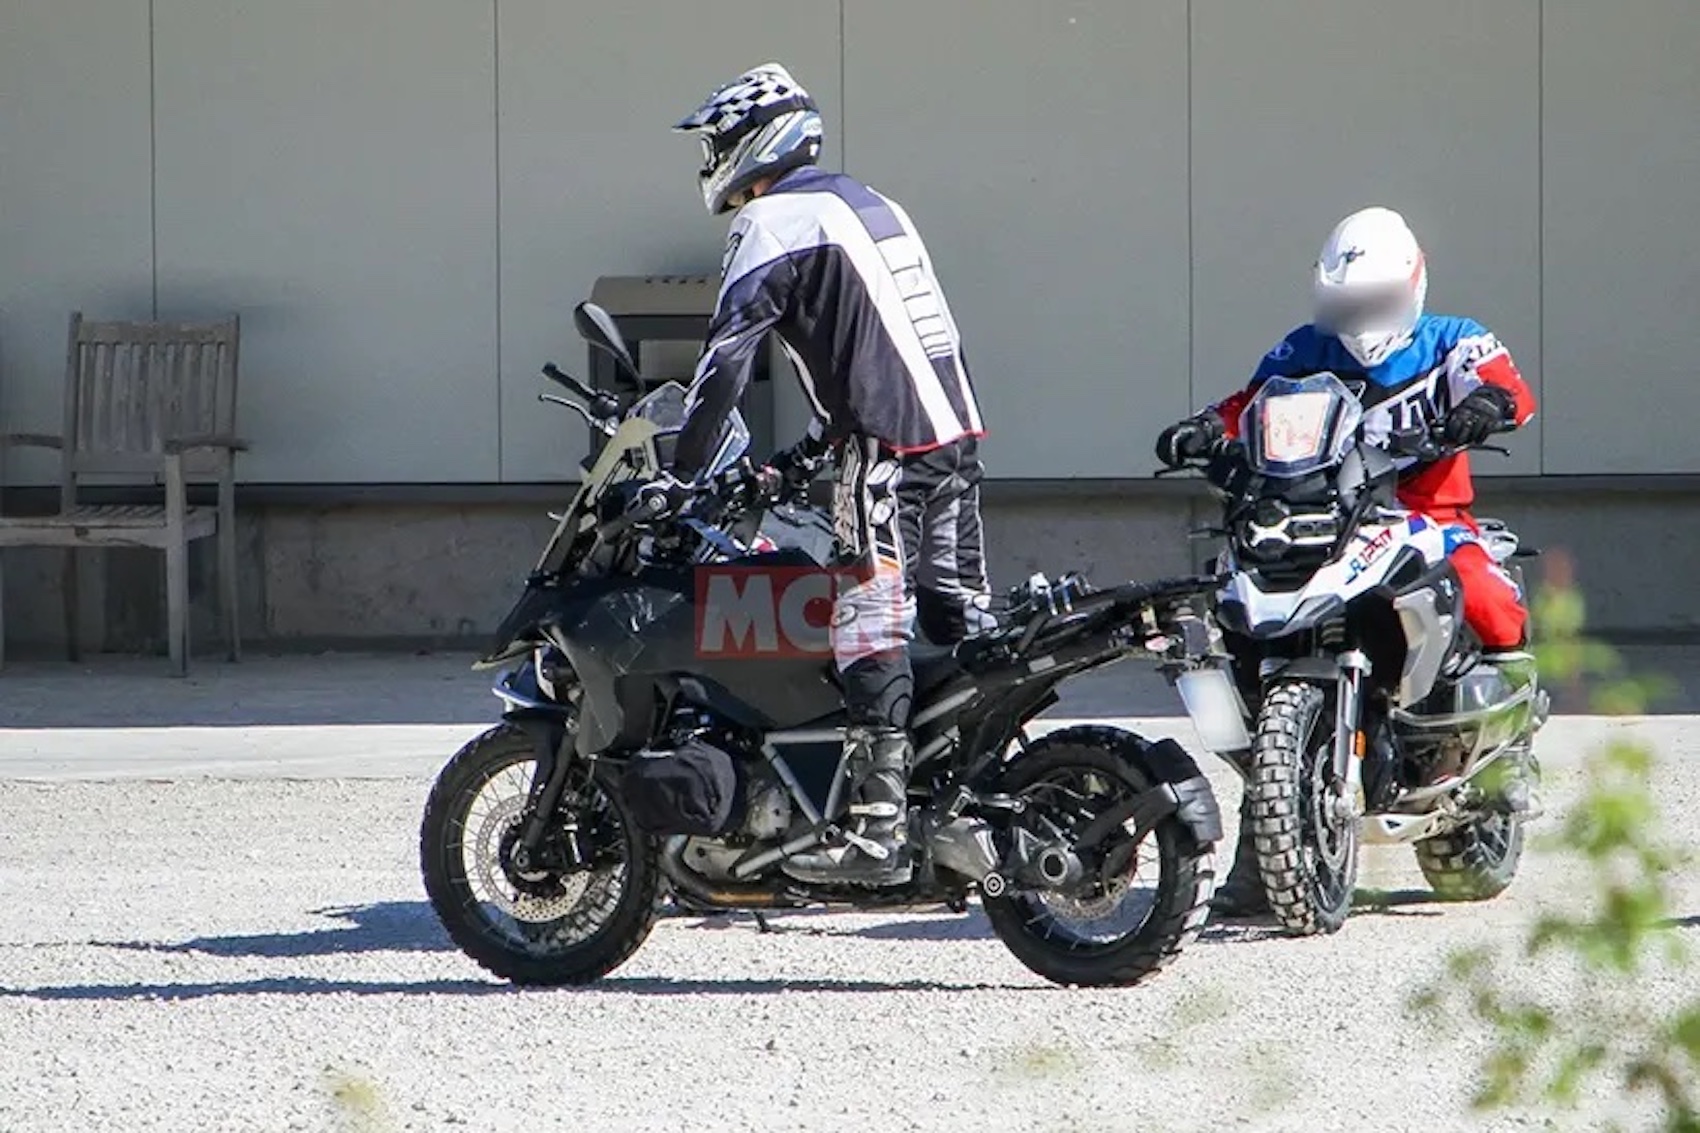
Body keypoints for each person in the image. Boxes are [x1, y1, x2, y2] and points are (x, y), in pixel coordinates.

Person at [663, 63, 995, 886]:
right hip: (952, 442)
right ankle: (967, 793)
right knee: (955, 620)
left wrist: (679, 474)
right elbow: (877, 349)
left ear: (750, 142)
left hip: (883, 448)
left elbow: (723, 364)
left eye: (716, 143)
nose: (712, 161)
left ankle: (879, 827)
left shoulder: (771, 220)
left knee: (867, 618)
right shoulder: (872, 204)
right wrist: (800, 460)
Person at [1156, 205, 1538, 917]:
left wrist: (1485, 407)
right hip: (1316, 519)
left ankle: (1503, 747)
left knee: (1484, 593)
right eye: (1344, 304)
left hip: (1427, 515)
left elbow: (1511, 388)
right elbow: (1249, 403)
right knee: (1237, 620)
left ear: (1411, 287)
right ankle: (1264, 841)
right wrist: (1206, 427)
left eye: (1372, 302)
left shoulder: (1455, 341)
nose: (1357, 317)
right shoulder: (1304, 348)